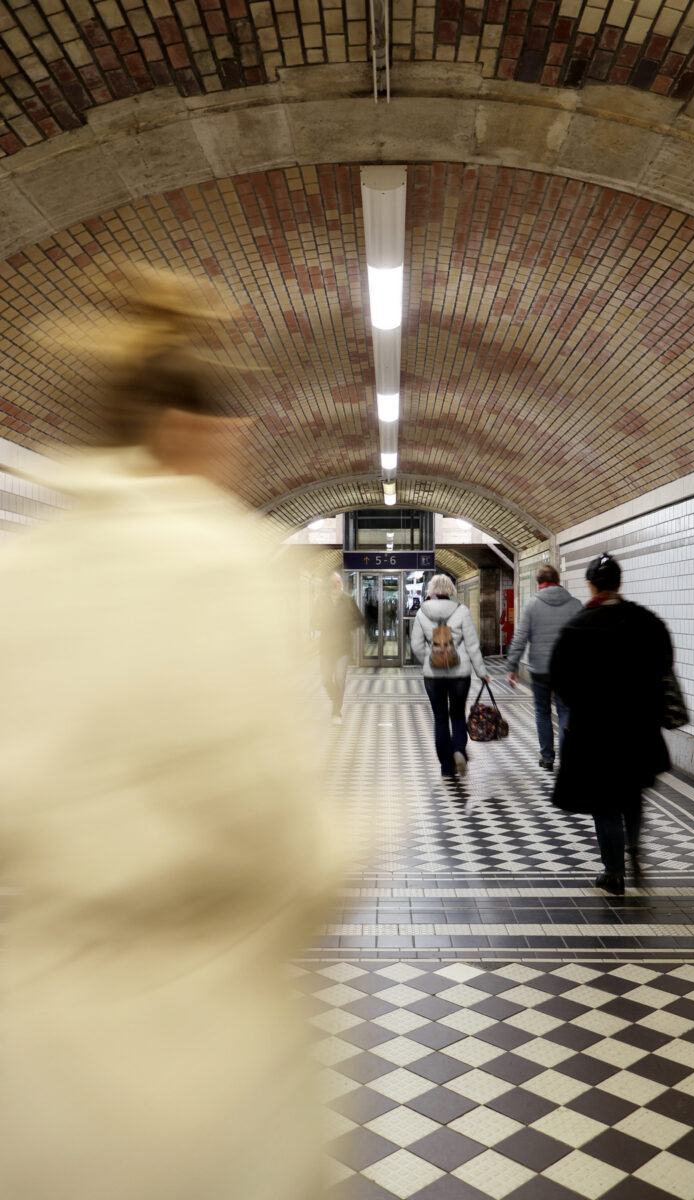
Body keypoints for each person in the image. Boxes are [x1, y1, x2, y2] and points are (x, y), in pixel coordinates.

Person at [0, 267, 343, 1200]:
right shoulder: (225, 565)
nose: (239, 469)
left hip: (30, 1051)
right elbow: (283, 846)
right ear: (187, 433)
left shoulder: (20, 568)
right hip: (190, 1059)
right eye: (235, 446)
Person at [549, 553, 673, 896]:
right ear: (620, 583)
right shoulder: (646, 621)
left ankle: (613, 871)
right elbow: (665, 664)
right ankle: (633, 844)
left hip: (594, 730)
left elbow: (561, 679)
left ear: (591, 585)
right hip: (639, 728)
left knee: (604, 801)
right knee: (631, 790)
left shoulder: (578, 626)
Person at [411, 573, 489, 779]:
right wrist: (482, 672)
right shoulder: (462, 611)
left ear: (431, 590)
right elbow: (472, 645)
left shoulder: (422, 613)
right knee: (457, 714)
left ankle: (446, 766)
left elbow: (416, 646)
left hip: (433, 675)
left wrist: (429, 659)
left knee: (440, 718)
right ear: (451, 591)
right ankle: (459, 751)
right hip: (460, 674)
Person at [506, 562, 582, 770]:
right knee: (566, 711)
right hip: (567, 669)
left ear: (538, 582)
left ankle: (547, 757)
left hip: (539, 669)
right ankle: (567, 758)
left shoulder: (531, 604)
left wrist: (512, 666)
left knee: (542, 711)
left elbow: (520, 638)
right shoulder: (575, 604)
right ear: (558, 581)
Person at [312, 570, 362, 724]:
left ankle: (336, 712)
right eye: (333, 582)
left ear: (342, 584)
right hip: (327, 646)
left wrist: (346, 626)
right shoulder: (321, 600)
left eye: (338, 582)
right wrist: (322, 625)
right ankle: (336, 699)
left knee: (339, 679)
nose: (336, 585)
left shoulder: (348, 600)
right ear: (329, 584)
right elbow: (313, 620)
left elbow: (359, 619)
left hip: (343, 647)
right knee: (326, 678)